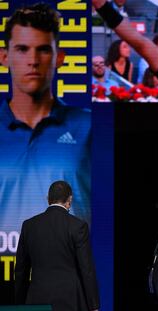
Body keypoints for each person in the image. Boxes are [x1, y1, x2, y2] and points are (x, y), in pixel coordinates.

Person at [0, 3, 91, 248]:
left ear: (59, 57)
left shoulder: (88, 126)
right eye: (22, 49)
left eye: (43, 50)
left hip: (66, 277)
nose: (33, 60)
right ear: (4, 56)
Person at [15, 181, 100, 311]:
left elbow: (21, 270)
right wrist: (94, 306)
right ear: (69, 200)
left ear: (48, 199)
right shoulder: (78, 226)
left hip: (37, 299)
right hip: (70, 300)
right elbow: (86, 268)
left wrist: (19, 304)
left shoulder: (29, 226)